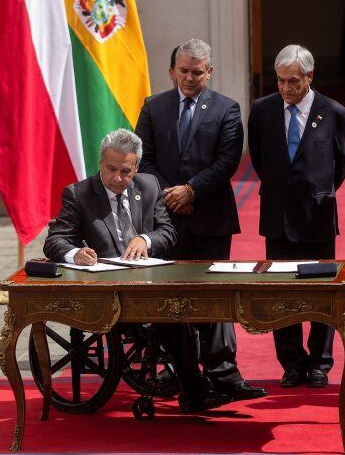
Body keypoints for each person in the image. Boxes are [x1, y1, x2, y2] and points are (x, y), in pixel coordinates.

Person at [44, 128, 230, 412]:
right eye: (111, 169)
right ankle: (195, 391)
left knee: (211, 300)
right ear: (101, 162)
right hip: (110, 293)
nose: (118, 178)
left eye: (126, 171)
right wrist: (75, 253)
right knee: (173, 313)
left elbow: (168, 232)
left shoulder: (149, 186)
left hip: (150, 279)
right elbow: (54, 240)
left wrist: (146, 239)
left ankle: (225, 376)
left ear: (137, 168)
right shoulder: (78, 194)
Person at [135, 39, 266, 402]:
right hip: (165, 219)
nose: (189, 78)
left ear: (209, 72)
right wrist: (171, 195)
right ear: (172, 70)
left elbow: (227, 161)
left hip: (210, 217)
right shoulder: (154, 107)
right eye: (184, 71)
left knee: (215, 296)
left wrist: (191, 191)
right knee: (173, 297)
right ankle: (182, 374)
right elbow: (142, 160)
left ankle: (224, 374)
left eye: (197, 72)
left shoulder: (226, 108)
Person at [248, 44, 345, 388]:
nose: (286, 88)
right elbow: (261, 161)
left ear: (310, 77)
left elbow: (342, 161)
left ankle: (320, 362)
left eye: (293, 81)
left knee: (321, 290)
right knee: (280, 292)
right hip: (278, 213)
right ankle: (291, 362)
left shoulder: (333, 111)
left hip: (317, 214)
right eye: (280, 81)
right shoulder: (262, 110)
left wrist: (316, 189)